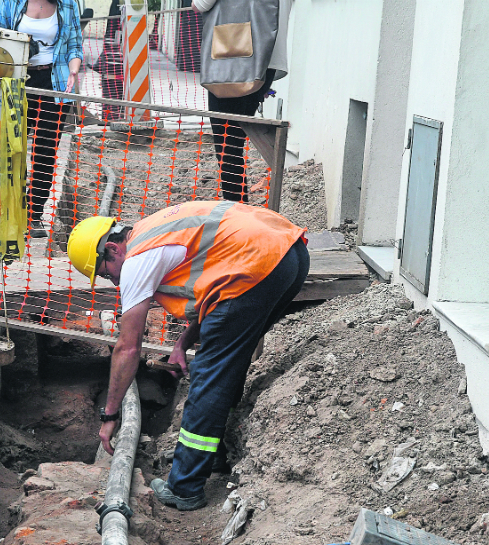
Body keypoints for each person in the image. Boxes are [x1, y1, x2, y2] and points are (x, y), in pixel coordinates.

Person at [67, 200, 309, 510]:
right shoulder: (151, 231)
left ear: (113, 250)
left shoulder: (137, 260)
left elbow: (128, 348)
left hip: (257, 264)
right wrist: (182, 343)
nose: (114, 282)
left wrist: (110, 414)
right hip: (289, 254)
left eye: (106, 274)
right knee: (227, 360)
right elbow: (216, 284)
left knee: (210, 375)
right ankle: (215, 455)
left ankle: (185, 487)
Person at [0, 0, 84, 237]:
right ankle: (9, 211)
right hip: (18, 81)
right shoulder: (11, 3)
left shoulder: (67, 5)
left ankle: (34, 216)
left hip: (54, 83)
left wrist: (73, 71)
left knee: (45, 149)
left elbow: (75, 46)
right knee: (13, 147)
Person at [194, 0, 291, 202]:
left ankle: (236, 212)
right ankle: (239, 211)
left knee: (227, 148)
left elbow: (200, 5)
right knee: (235, 143)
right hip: (267, 64)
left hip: (234, 57)